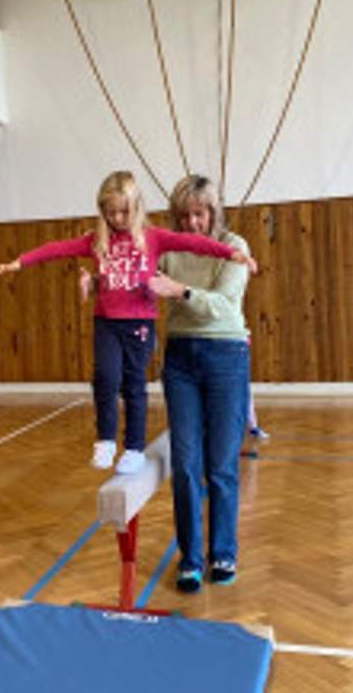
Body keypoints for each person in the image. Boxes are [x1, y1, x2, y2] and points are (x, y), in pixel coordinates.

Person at [0, 170, 256, 475]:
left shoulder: (153, 238)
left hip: (141, 324)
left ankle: (133, 447)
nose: (117, 218)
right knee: (105, 377)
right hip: (106, 322)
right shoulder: (97, 241)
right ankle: (105, 440)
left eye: (124, 211)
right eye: (111, 212)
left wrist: (233, 254)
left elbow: (194, 244)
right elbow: (57, 249)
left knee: (133, 384)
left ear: (136, 207)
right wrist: (19, 263)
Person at [147, 174, 253, 593]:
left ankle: (223, 552)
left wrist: (180, 291)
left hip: (226, 355)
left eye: (199, 214)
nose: (192, 223)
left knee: (221, 464)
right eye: (184, 216)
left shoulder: (234, 246)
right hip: (180, 360)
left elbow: (224, 307)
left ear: (213, 213)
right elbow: (137, 280)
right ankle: (190, 559)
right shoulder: (168, 250)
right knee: (186, 464)